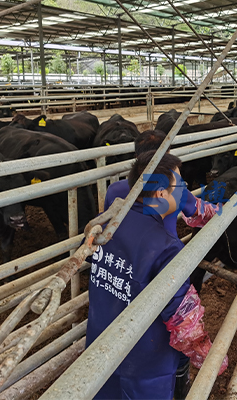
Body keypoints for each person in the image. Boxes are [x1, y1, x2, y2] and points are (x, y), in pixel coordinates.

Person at [103, 130, 219, 399]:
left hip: (120, 287)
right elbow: (201, 212)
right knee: (168, 346)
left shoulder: (114, 197)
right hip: (158, 275)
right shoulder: (166, 246)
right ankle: (181, 386)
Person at [86, 151, 190, 399]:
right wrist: (204, 350)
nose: (184, 189)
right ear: (160, 193)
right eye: (180, 184)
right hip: (146, 363)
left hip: (100, 346)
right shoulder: (167, 247)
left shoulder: (105, 225)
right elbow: (180, 317)